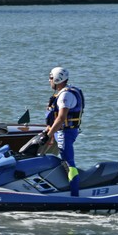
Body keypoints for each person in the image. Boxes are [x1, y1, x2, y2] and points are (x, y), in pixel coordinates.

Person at [41, 66, 85, 196]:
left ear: (57, 79)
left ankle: (75, 195)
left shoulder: (65, 95)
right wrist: (52, 134)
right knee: (66, 162)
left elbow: (61, 118)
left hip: (66, 133)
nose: (49, 81)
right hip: (62, 132)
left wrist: (48, 136)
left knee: (69, 163)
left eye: (50, 78)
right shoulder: (62, 93)